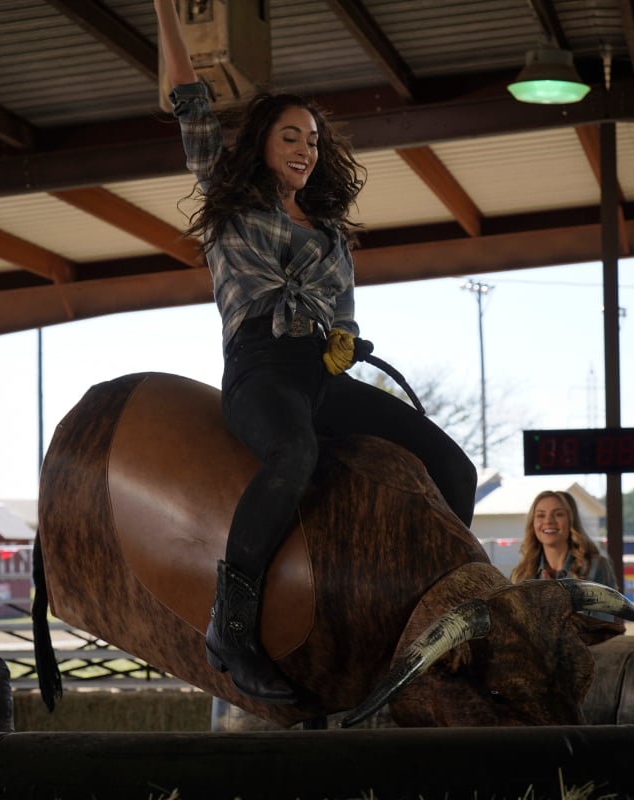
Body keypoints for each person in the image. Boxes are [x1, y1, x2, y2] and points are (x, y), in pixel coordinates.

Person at [155, 0, 478, 704]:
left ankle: (437, 612)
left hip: (323, 376)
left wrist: (344, 342)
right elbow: (190, 102)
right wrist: (165, 13)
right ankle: (230, 628)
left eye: (314, 140)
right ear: (261, 145)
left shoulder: (332, 235)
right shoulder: (231, 200)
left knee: (453, 464)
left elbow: (343, 320)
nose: (306, 148)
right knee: (293, 454)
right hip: (260, 372)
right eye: (291, 135)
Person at [511, 490, 617, 588]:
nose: (548, 521)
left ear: (571, 521)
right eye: (541, 515)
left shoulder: (596, 567)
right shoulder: (521, 575)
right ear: (532, 523)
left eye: (558, 514)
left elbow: (611, 608)